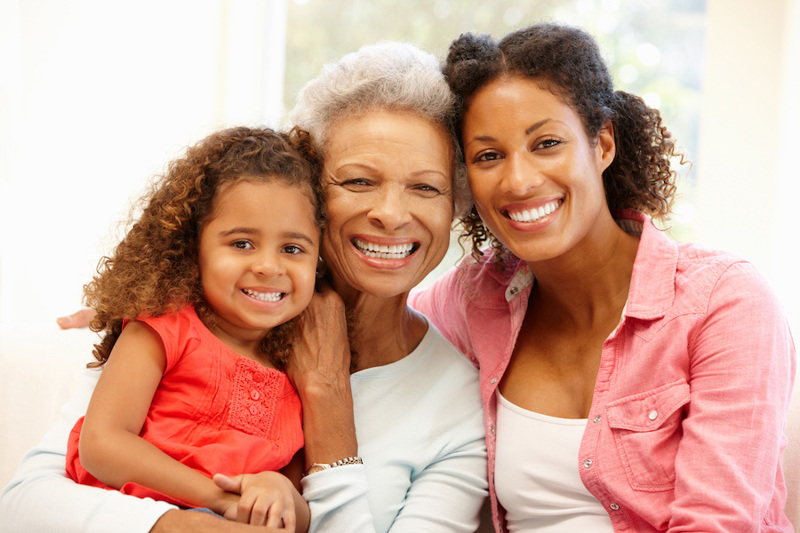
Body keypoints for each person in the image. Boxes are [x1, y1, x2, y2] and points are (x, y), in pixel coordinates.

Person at [0, 42, 488, 533]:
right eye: (359, 181)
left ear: (456, 205)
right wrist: (188, 524)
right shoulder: (198, 313)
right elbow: (27, 502)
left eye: (426, 187)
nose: (391, 213)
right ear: (310, 193)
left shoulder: (456, 405)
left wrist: (328, 401)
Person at [409, 23, 796, 531]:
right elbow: (373, 351)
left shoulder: (724, 303)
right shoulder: (472, 299)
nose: (518, 180)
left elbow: (716, 523)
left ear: (603, 143)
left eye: (546, 143)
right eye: (488, 155)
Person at [70, 126, 323, 530]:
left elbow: (298, 511)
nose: (269, 267)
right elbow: (101, 445)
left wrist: (280, 492)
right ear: (194, 248)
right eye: (242, 243)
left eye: (292, 249)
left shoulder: (298, 377)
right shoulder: (163, 329)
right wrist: (217, 499)